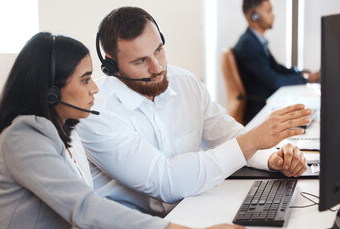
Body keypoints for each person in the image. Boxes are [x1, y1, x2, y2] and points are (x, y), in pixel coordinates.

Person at [0, 32, 259, 229]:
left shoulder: (63, 130)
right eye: (85, 79)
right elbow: (84, 207)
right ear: (52, 91)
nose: (95, 90)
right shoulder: (24, 136)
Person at [76, 6, 311, 218]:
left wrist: (272, 158)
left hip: (192, 209)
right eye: (140, 61)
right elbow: (164, 181)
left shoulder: (185, 83)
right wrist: (253, 139)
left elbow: (229, 136)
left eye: (159, 50)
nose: (157, 68)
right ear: (111, 65)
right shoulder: (95, 111)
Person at [233, 0, 320, 124]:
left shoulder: (256, 41)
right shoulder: (248, 45)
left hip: (269, 104)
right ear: (254, 16)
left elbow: (278, 69)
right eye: (268, 11)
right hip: (260, 111)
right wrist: (306, 79)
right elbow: (274, 80)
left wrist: (302, 74)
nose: (273, 15)